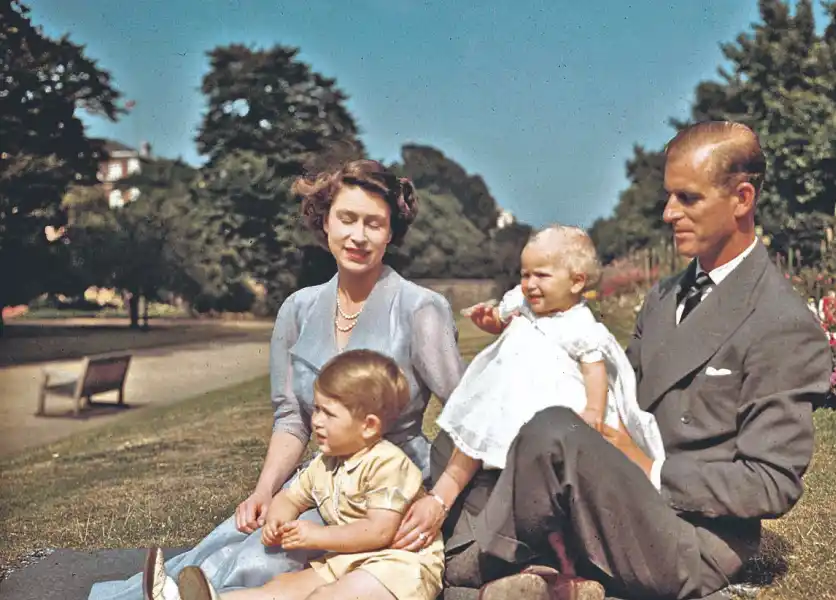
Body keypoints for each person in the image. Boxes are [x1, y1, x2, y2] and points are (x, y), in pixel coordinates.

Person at [430, 121, 833, 600]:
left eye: (688, 198)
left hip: (686, 537)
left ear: (742, 199)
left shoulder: (782, 322)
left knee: (550, 430)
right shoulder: (664, 297)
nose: (668, 213)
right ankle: (525, 567)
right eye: (669, 196)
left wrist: (647, 468)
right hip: (613, 495)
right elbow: (616, 393)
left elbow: (771, 483)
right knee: (464, 431)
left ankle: (471, 564)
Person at [88, 159, 466, 599]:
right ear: (324, 220)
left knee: (257, 561)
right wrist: (265, 491)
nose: (358, 236)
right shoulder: (298, 309)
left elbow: (468, 418)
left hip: (384, 487)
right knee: (227, 543)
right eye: (347, 219)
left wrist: (439, 499)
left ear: (391, 233)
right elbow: (291, 419)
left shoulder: (421, 308)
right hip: (320, 481)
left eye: (374, 224)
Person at [417, 225, 664, 580]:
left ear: (576, 282)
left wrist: (594, 410)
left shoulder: (581, 324)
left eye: (541, 275)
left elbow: (595, 370)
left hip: (555, 397)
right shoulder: (524, 302)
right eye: (525, 274)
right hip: (514, 391)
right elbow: (503, 320)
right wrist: (491, 322)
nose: (529, 283)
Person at [166, 350, 445, 600]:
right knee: (281, 588)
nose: (316, 421)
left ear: (368, 426)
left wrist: (317, 537)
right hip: (348, 561)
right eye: (316, 409)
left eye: (328, 413)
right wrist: (278, 519)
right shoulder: (324, 464)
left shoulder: (387, 465)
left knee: (327, 596)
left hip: (400, 567)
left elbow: (378, 531)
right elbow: (291, 496)